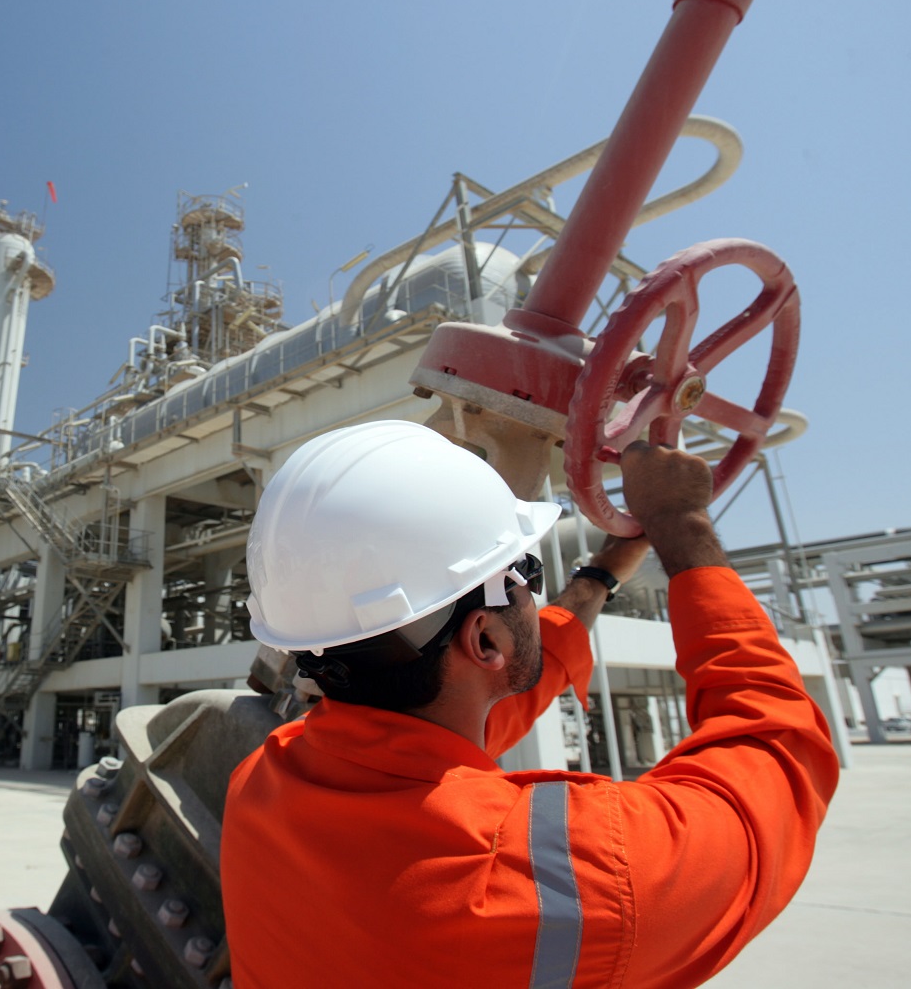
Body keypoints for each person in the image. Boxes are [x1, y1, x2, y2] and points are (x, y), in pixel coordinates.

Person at [223, 420, 838, 988]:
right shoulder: (572, 876)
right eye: (526, 573)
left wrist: (600, 576)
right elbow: (778, 750)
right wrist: (683, 522)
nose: (533, 596)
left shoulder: (262, 783)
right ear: (485, 638)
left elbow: (448, 722)